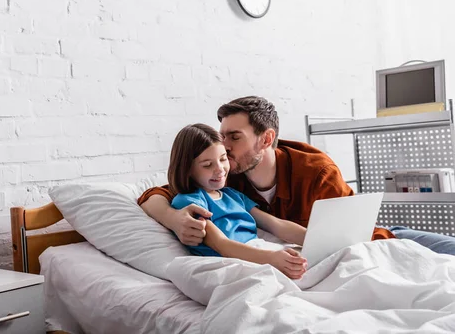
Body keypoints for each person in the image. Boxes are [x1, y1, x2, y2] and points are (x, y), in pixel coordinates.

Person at [138, 96, 455, 256]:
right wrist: (175, 220)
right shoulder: (225, 173)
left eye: (234, 137)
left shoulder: (316, 172)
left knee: (434, 248)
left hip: (377, 234)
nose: (223, 149)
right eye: (222, 136)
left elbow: (352, 235)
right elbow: (158, 194)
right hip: (290, 251)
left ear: (265, 139)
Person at [168, 123, 308, 279]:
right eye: (208, 165)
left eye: (223, 159)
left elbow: (275, 224)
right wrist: (271, 258)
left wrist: (313, 238)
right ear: (187, 169)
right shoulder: (190, 202)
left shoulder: (232, 195)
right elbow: (222, 245)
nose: (220, 169)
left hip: (259, 249)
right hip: (233, 261)